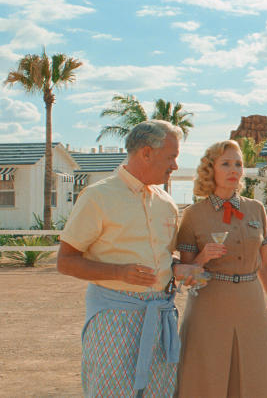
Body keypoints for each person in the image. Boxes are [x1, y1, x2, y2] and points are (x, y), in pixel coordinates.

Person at [57, 120, 189, 397]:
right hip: (113, 318)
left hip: (161, 316)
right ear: (146, 152)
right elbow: (65, 261)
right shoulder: (97, 197)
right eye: (171, 157)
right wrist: (119, 272)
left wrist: (181, 268)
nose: (175, 166)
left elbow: (165, 258)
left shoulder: (166, 203)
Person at [175, 140, 267, 396]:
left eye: (238, 164)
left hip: (251, 302)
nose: (234, 169)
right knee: (206, 375)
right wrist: (202, 258)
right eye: (226, 163)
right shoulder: (193, 214)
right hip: (208, 304)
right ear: (210, 169)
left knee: (253, 373)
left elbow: (266, 265)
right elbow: (186, 275)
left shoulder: (255, 209)